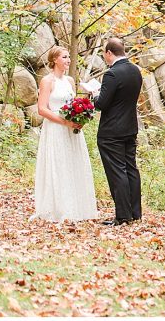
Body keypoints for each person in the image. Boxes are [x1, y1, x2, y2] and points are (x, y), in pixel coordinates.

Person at [31, 46, 100, 222]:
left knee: (73, 164)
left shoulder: (70, 81)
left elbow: (73, 104)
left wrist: (80, 118)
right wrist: (64, 122)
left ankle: (76, 208)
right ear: (55, 60)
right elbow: (41, 109)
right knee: (58, 165)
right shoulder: (47, 81)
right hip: (55, 129)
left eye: (69, 57)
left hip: (72, 130)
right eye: (64, 57)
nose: (68, 60)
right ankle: (58, 208)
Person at [93, 37, 143, 225]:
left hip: (112, 130)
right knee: (131, 169)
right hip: (130, 127)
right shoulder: (135, 71)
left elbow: (101, 104)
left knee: (117, 171)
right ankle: (135, 213)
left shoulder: (112, 74)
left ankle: (122, 215)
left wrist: (94, 94)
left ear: (109, 53)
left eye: (105, 54)